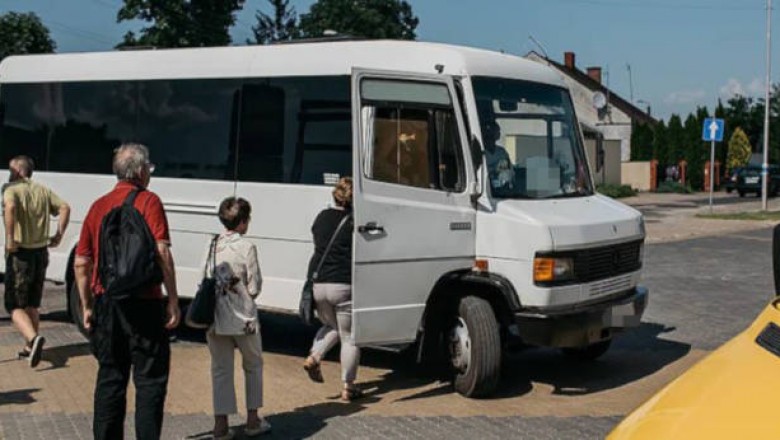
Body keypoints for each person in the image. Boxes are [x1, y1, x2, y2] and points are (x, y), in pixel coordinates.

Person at [74, 143, 180, 440]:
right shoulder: (149, 201)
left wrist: (87, 305)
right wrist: (172, 300)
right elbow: (162, 252)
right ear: (141, 171)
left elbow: (82, 263)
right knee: (150, 382)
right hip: (145, 303)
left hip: (108, 304)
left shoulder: (98, 206)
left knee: (110, 378)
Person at [207, 197, 270, 439]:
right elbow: (255, 286)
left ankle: (220, 426)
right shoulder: (247, 247)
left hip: (216, 318)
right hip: (244, 319)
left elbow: (205, 278)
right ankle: (252, 420)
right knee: (253, 366)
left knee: (220, 370)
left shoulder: (212, 244)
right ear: (243, 222)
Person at [3, 155, 70, 368]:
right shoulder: (42, 190)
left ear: (19, 171)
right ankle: (30, 348)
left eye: (12, 169)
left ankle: (33, 339)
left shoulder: (11, 189)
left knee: (14, 305)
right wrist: (58, 235)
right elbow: (65, 208)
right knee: (32, 302)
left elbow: (11, 208)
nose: (9, 173)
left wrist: (10, 238)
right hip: (41, 253)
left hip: (21, 253)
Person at [302, 177, 362, 401]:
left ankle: (315, 356)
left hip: (319, 284)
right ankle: (348, 386)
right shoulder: (353, 221)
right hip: (343, 285)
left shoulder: (321, 218)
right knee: (349, 337)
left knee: (331, 325)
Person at [482, 120, 514, 190]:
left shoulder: (501, 152)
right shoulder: (481, 152)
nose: (499, 133)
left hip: (501, 189)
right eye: (497, 131)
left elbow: (508, 172)